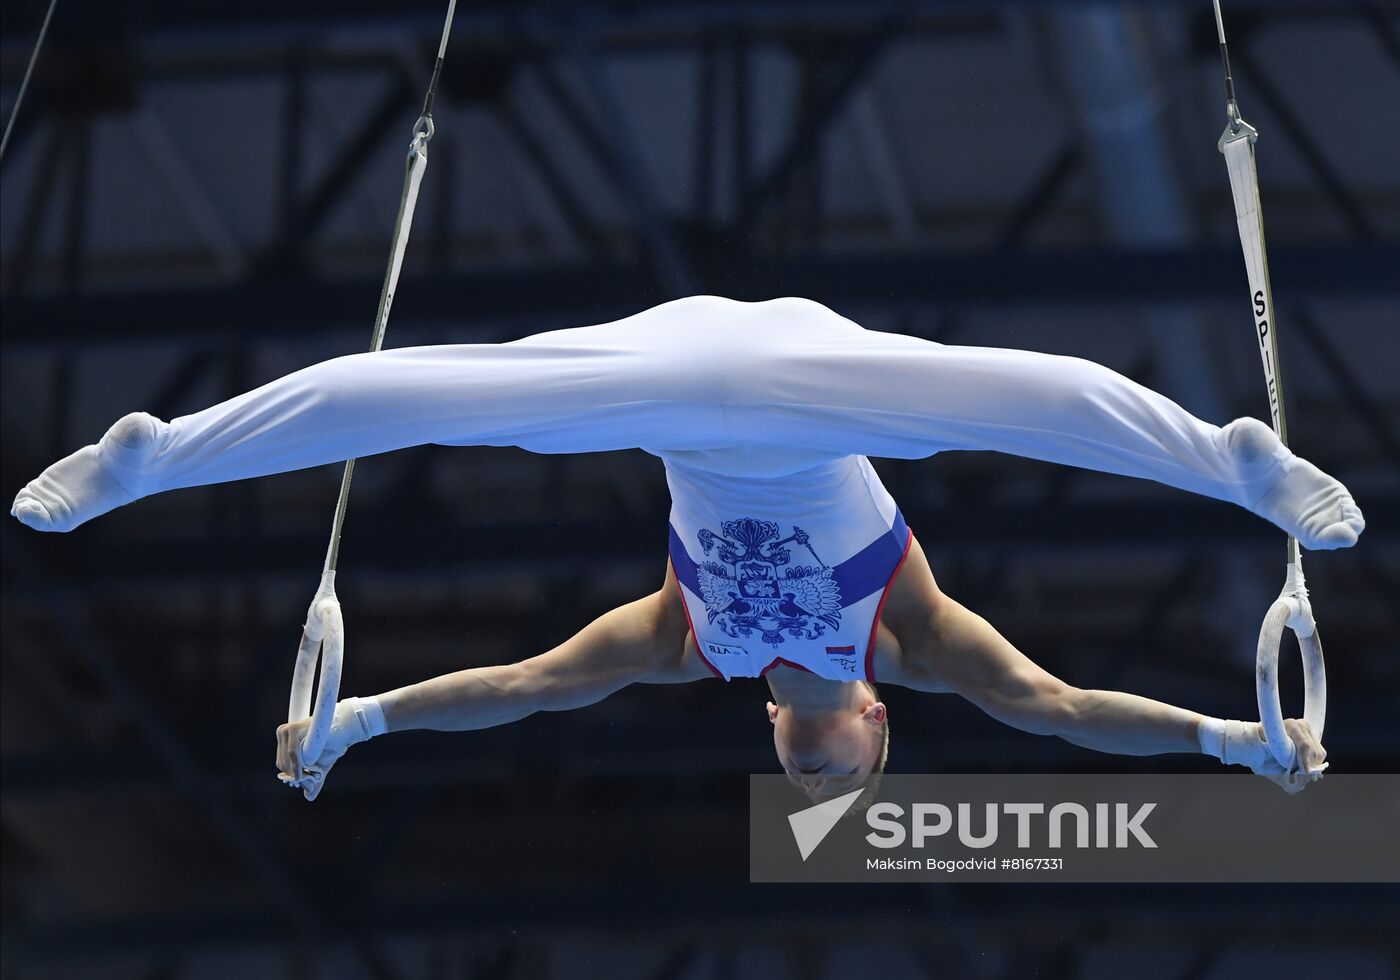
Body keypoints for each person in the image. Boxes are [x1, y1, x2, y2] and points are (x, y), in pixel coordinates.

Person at [11, 296, 1359, 801]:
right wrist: (1224, 743)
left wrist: (361, 718)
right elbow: (1065, 711)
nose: (814, 760)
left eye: (798, 767)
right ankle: (1228, 459)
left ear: (771, 727)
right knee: (1012, 402)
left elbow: (521, 686)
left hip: (664, 383)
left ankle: (158, 455)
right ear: (877, 715)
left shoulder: (685, 641)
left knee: (440, 395)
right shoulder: (908, 639)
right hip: (826, 383)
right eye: (844, 765)